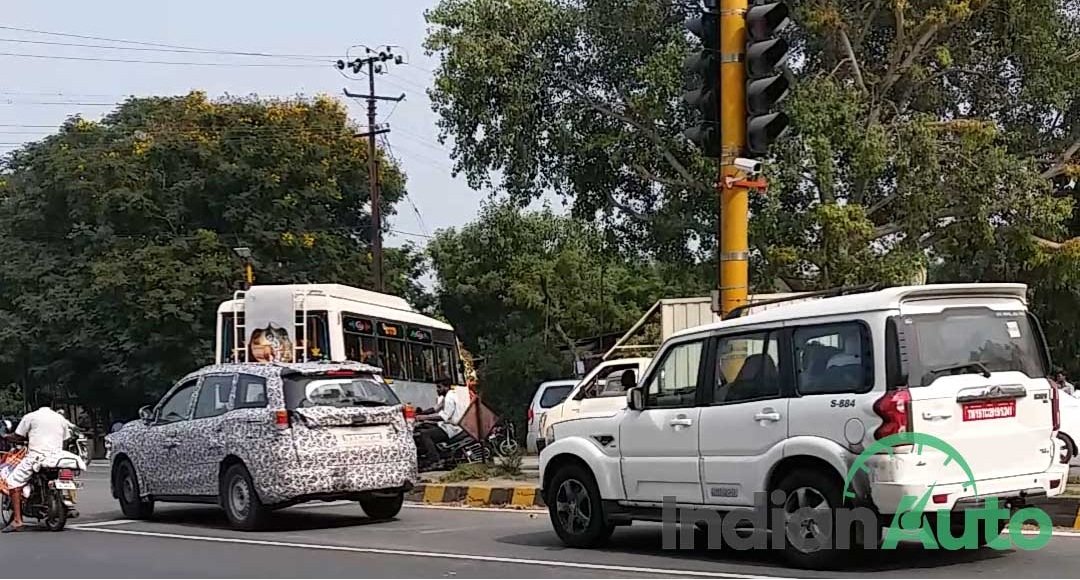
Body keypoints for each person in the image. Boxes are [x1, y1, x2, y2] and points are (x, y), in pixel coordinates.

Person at [0, 401, 70, 532]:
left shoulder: (30, 416)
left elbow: (18, 436)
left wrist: (7, 437)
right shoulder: (61, 418)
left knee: (13, 481)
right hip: (57, 456)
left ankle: (17, 521)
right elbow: (66, 438)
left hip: (36, 456)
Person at [415, 378, 462, 466]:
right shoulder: (448, 396)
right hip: (447, 426)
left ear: (446, 387)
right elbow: (436, 408)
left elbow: (443, 417)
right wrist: (419, 413)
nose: (437, 390)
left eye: (439, 387)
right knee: (424, 426)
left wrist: (422, 417)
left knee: (424, 434)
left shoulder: (449, 398)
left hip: (451, 429)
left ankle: (434, 460)